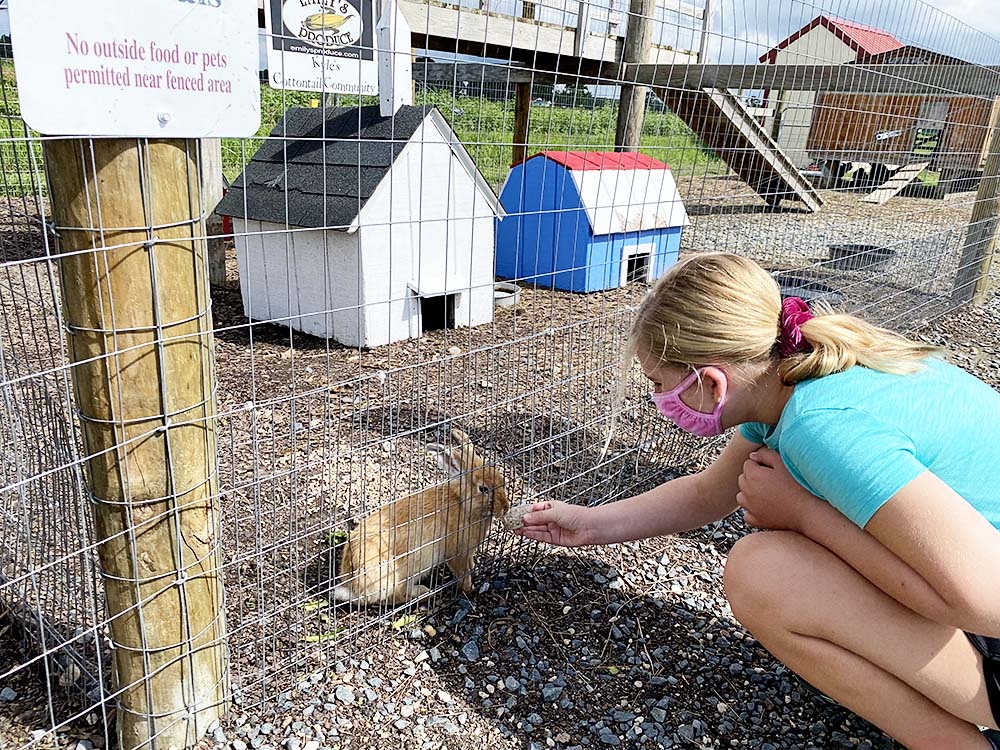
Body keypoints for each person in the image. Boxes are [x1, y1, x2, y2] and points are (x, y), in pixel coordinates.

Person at [515, 252, 1000, 750]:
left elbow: (988, 601)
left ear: (711, 381)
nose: (657, 402)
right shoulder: (791, 378)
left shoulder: (822, 426)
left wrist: (807, 516)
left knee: (762, 573)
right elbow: (708, 492)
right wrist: (590, 524)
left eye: (658, 385)